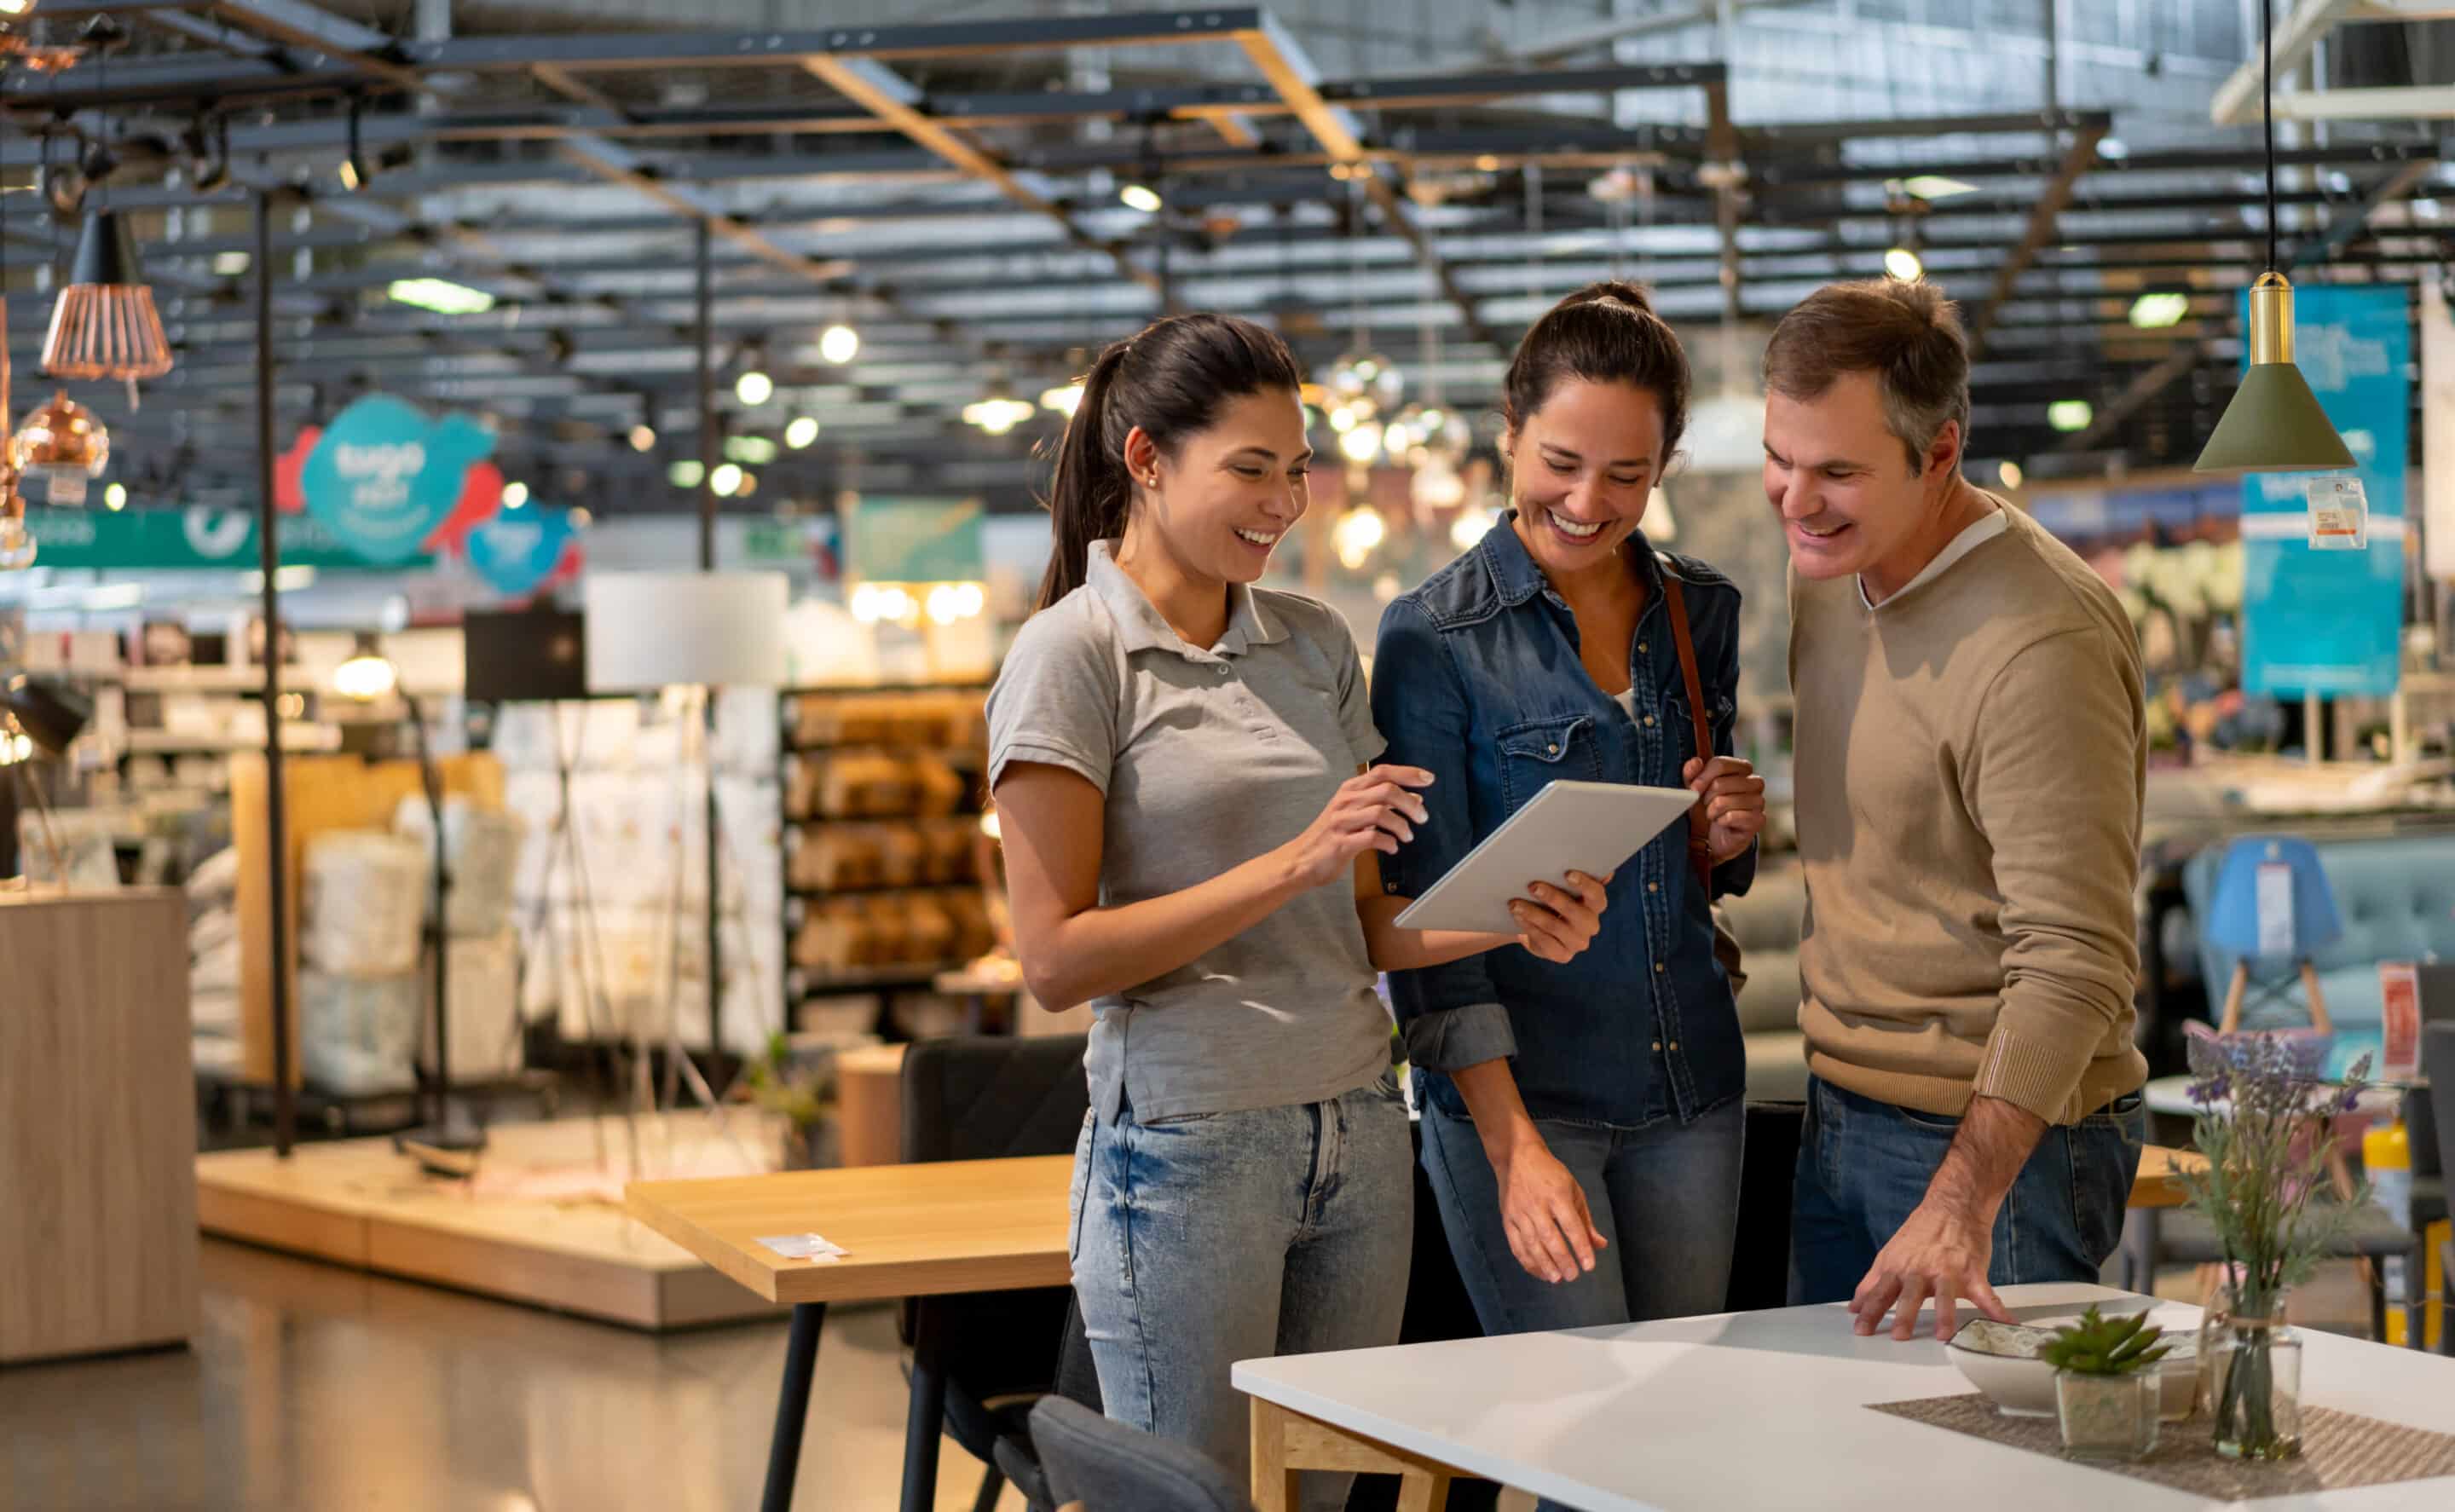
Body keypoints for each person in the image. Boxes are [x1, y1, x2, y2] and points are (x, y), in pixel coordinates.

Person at [985, 311, 1609, 1501]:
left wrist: (1511, 911)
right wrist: (1290, 860)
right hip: (1184, 1151)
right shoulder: (1069, 657)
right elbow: (1057, 960)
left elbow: (1368, 925)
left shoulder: (1314, 642)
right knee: (1196, 1495)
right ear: (1148, 460)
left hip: (1361, 1133)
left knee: (1327, 1496)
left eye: (1296, 469)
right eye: (1251, 469)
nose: (1284, 502)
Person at [1372, 282, 1769, 1386]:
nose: (1589, 500)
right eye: (1559, 461)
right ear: (1508, 435)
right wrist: (1511, 1145)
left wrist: (1731, 831)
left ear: (1664, 467)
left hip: (1692, 1089)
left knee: (1682, 1432)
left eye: (1627, 474)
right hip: (1526, 1098)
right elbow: (1424, 925)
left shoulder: (1701, 614)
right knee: (1582, 1434)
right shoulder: (1433, 638)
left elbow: (1698, 874)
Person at [1762, 278, 2149, 1341]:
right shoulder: (1830, 571)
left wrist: (1960, 1198)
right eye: (1780, 460)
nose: (1797, 500)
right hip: (1838, 1107)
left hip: (1997, 1151)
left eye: (1838, 471)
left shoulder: (2041, 642)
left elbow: (2076, 957)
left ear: (1940, 454)